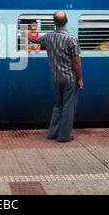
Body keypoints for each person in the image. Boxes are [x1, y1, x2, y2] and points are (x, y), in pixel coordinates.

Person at [28, 11, 83, 143]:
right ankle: (64, 136)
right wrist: (80, 79)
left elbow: (35, 40)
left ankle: (52, 133)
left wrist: (27, 34)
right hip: (69, 78)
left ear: (54, 22)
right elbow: (76, 61)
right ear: (67, 21)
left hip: (56, 78)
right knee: (68, 107)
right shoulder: (71, 39)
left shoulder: (48, 37)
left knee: (58, 105)